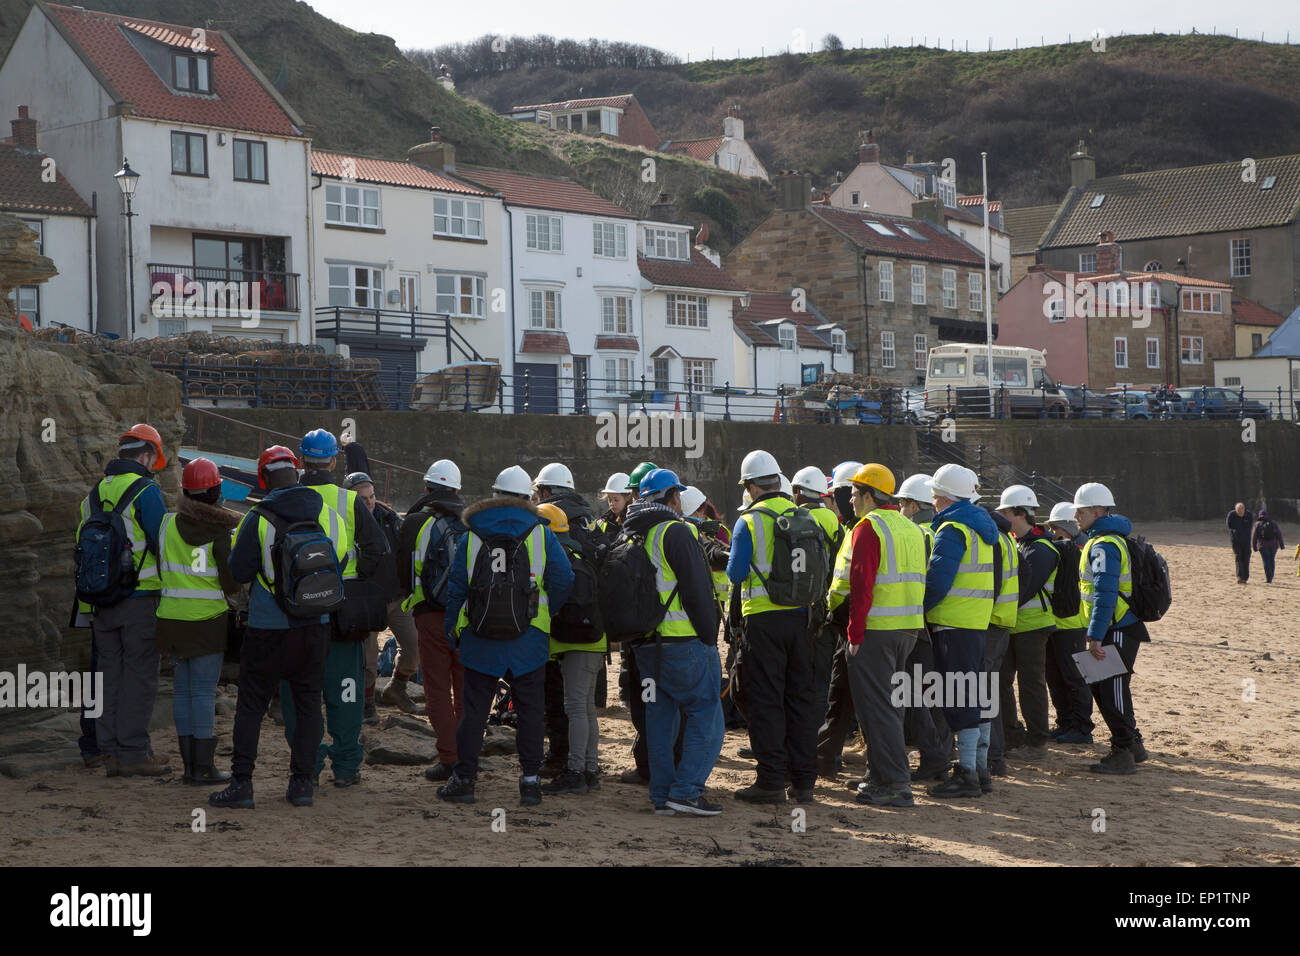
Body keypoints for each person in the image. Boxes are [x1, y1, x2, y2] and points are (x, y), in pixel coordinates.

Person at [211, 446, 347, 809]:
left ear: (263, 479)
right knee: (307, 706)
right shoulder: (330, 515)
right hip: (315, 626)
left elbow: (238, 573)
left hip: (268, 628)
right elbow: (342, 560)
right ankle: (302, 784)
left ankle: (242, 784)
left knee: (252, 707)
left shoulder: (257, 519)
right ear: (298, 473)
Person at [436, 465, 573, 806]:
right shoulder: (542, 534)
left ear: (493, 495)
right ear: (528, 497)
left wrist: (454, 630)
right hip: (529, 638)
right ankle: (529, 782)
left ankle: (465, 780)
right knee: (530, 711)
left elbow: (456, 590)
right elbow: (564, 579)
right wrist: (542, 612)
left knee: (474, 711)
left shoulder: (470, 535)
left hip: (480, 636)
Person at [283, 429, 386, 788]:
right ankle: (345, 766)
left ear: (301, 460)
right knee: (346, 690)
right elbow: (377, 549)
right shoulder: (349, 501)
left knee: (300, 692)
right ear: (332, 461)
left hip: (295, 615)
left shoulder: (284, 498)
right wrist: (350, 577)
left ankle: (306, 765)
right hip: (341, 612)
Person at [624, 469, 724, 815]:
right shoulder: (675, 531)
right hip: (683, 644)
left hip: (645, 646)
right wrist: (709, 637)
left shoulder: (631, 532)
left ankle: (662, 796)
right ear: (673, 497)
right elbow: (697, 590)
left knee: (661, 719)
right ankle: (685, 793)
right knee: (706, 714)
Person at [73, 423, 171, 777]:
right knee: (140, 676)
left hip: (101, 602)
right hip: (139, 598)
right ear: (146, 456)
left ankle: (110, 751)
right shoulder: (145, 490)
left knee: (108, 675)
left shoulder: (93, 494)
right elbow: (163, 543)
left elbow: (82, 551)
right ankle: (133, 754)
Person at [729, 450, 821, 805]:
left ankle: (770, 780)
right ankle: (804, 782)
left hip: (763, 621)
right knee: (799, 699)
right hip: (801, 618)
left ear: (751, 486)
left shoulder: (749, 520)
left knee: (766, 700)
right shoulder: (802, 515)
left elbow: (736, 574)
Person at [842, 464, 925, 808]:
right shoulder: (910, 528)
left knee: (877, 709)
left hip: (876, 631)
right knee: (890, 705)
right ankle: (879, 775)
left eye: (854, 493)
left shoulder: (868, 528)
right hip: (907, 628)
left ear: (868, 495)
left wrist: (854, 632)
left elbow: (862, 585)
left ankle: (893, 783)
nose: (850, 499)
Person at [157, 458, 241, 785]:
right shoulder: (221, 532)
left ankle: (189, 767)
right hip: (207, 622)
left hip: (171, 621)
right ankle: (203, 768)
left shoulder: (165, 525)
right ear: (218, 491)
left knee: (183, 693)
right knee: (204, 694)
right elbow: (231, 584)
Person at [923, 464, 997, 799]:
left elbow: (938, 580)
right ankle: (979, 769)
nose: (933, 503)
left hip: (952, 623)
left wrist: (918, 609)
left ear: (943, 497)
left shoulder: (952, 529)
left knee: (958, 697)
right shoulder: (982, 528)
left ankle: (966, 773)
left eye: (935, 497)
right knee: (975, 694)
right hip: (975, 623)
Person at [1074, 482, 1149, 774]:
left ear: (1096, 511)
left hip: (1115, 628)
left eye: (1081, 511)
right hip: (1113, 626)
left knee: (1113, 689)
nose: (1076, 516)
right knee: (1106, 689)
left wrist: (1094, 634)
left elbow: (1105, 593)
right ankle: (1132, 745)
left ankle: (1123, 751)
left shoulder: (1105, 543)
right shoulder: (1103, 539)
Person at [401, 459, 466, 783]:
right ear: (456, 490)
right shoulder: (472, 522)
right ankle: (467, 757)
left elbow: (400, 574)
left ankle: (449, 759)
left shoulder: (414, 522)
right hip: (467, 620)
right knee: (465, 688)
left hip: (429, 618)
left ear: (426, 489)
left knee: (437, 690)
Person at [537, 502, 606, 795]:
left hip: (576, 643)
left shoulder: (553, 555)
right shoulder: (580, 549)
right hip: (594, 638)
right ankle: (589, 771)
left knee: (576, 708)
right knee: (586, 708)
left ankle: (575, 772)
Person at [533, 462, 596, 776]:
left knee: (558, 700)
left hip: (557, 629)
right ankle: (586, 765)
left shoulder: (547, 521)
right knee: (583, 704)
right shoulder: (587, 519)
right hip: (589, 627)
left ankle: (561, 760)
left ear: (545, 491)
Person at [345, 472, 420, 715]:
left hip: (396, 598)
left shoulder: (389, 518)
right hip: (365, 601)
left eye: (372, 496)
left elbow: (408, 552)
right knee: (368, 661)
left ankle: (397, 687)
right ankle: (367, 705)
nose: (369, 501)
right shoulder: (344, 522)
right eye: (362, 498)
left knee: (415, 648)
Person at [996, 486, 1058, 767]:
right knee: (1002, 682)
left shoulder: (1042, 549)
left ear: (1021, 514)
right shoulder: (1019, 543)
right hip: (1012, 625)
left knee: (1031, 685)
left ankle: (1037, 743)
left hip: (1033, 627)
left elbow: (1024, 590)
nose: (1002, 517)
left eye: (1006, 512)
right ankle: (1013, 736)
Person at [894, 473, 949, 783]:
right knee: (932, 693)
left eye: (902, 503)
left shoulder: (917, 534)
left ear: (913, 505)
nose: (900, 508)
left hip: (914, 625)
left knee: (912, 694)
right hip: (935, 625)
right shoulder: (939, 532)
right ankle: (938, 752)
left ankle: (933, 755)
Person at [617, 460, 662, 784]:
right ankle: (651, 763)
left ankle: (648, 767)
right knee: (651, 702)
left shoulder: (634, 532)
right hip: (657, 634)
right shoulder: (670, 528)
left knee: (646, 703)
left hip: (644, 635)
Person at [1044, 503, 1094, 744]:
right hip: (1056, 623)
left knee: (1074, 677)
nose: (1053, 534)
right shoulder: (1063, 548)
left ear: (1067, 528)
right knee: (1055, 677)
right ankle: (1065, 723)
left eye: (1056, 529)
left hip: (1073, 624)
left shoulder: (1081, 550)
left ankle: (1082, 728)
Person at [593, 472, 633, 542]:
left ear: (628, 497)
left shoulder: (634, 523)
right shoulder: (603, 522)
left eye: (616, 500)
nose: (612, 503)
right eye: (609, 499)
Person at [1252, 509, 1285, 584]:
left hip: (1262, 546)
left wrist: (1254, 547)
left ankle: (1268, 578)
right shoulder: (1273, 523)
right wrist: (1282, 545)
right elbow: (1279, 534)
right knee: (1271, 560)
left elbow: (1254, 537)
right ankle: (1271, 576)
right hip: (1273, 545)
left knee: (1266, 561)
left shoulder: (1257, 524)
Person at [1227, 502, 1253, 584]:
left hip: (1246, 541)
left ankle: (1245, 577)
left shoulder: (1249, 515)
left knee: (1246, 558)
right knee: (1238, 557)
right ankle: (1239, 577)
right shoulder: (1231, 515)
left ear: (1244, 509)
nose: (1239, 513)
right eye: (1238, 511)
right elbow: (1229, 525)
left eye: (1241, 511)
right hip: (1235, 540)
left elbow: (1249, 526)